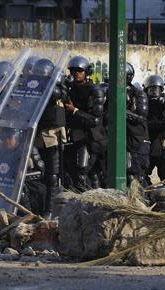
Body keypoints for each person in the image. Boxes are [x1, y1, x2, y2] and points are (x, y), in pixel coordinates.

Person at [64, 55, 106, 191]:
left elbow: (95, 120)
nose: (76, 74)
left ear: (86, 72)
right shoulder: (70, 89)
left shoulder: (94, 90)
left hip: (91, 139)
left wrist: (74, 110)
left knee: (82, 172)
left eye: (79, 71)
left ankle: (89, 203)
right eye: (73, 71)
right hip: (75, 137)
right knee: (81, 173)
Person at [32, 58, 67, 217]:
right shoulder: (34, 87)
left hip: (52, 138)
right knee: (39, 174)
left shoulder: (55, 88)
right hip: (36, 137)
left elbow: (58, 94)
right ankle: (39, 206)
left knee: (53, 176)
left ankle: (50, 210)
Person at [143, 75, 165, 188]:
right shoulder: (144, 104)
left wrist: (149, 124)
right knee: (142, 175)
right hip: (150, 145)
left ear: (161, 89)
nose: (154, 92)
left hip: (164, 146)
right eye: (151, 89)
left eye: (156, 89)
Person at [125, 63, 150, 187]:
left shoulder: (138, 94)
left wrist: (122, 112)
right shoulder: (113, 93)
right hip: (125, 142)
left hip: (138, 141)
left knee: (138, 177)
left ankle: (144, 203)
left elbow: (141, 117)